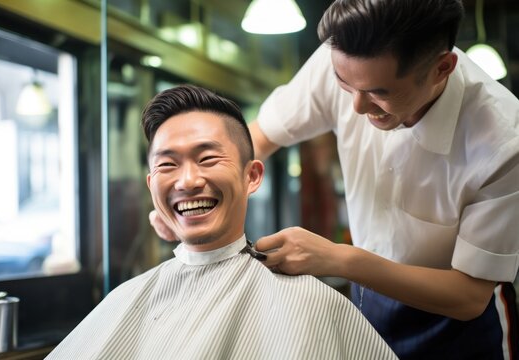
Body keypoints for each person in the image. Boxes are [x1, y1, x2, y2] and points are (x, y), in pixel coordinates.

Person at [150, 1, 519, 358]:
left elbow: (468, 297)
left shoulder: (504, 142)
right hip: (367, 298)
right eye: (344, 84)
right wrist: (186, 197)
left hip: (457, 324)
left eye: (379, 92)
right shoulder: (342, 57)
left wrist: (338, 260)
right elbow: (254, 141)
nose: (356, 107)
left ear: (442, 68)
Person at [47, 85, 397, 359]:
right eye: (168, 165)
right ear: (152, 186)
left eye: (208, 158)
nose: (187, 181)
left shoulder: (310, 303)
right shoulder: (124, 300)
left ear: (253, 176)